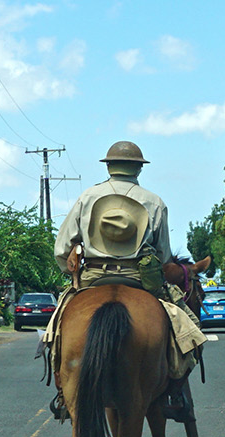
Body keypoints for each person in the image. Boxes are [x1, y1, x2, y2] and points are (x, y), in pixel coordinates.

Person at [48, 141, 206, 421]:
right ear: (138, 168)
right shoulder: (154, 201)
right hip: (141, 281)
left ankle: (63, 392)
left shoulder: (88, 197)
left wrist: (70, 267)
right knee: (185, 328)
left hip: (92, 278)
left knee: (57, 328)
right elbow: (164, 254)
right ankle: (174, 390)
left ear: (108, 166)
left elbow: (62, 248)